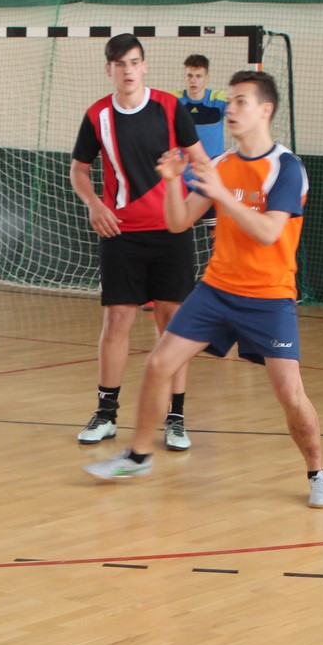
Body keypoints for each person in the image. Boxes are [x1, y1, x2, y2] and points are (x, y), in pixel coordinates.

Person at [84, 70, 323, 509]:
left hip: (269, 296)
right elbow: (179, 221)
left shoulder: (286, 168)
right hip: (217, 290)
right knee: (159, 363)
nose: (231, 109)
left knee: (290, 394)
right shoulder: (221, 165)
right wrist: (170, 181)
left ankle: (318, 471)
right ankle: (138, 457)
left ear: (265, 110)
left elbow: (268, 233)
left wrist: (224, 194)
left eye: (241, 102)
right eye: (230, 101)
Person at [70, 34, 209, 451]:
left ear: (144, 66)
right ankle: (106, 413)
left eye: (134, 62)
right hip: (121, 232)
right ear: (108, 70)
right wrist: (94, 204)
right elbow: (79, 169)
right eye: (120, 64)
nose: (128, 71)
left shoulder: (169, 107)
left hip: (172, 231)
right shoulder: (97, 115)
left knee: (174, 325)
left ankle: (175, 417)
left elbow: (201, 161)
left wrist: (201, 205)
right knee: (116, 321)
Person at [178, 54, 228, 161]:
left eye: (198, 76)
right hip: (184, 170)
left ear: (207, 77)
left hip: (213, 168)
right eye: (189, 75)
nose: (193, 80)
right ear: (184, 77)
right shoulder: (175, 101)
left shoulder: (219, 100)